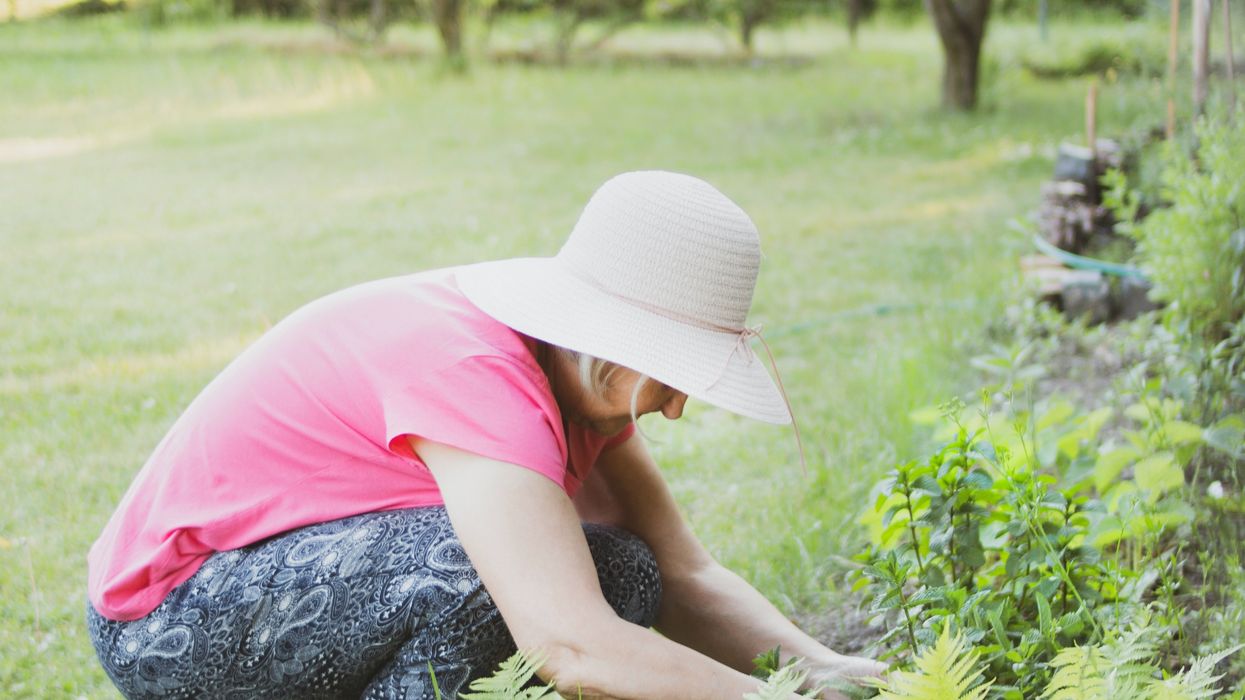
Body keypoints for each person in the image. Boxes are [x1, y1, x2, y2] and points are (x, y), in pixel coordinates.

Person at [86, 171, 885, 699]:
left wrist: (829, 673)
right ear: (613, 339)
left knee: (623, 574)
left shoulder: (577, 386)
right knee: (484, 584)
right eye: (674, 375)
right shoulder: (477, 374)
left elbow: (685, 577)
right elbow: (569, 647)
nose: (675, 409)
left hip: (286, 588)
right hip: (170, 621)